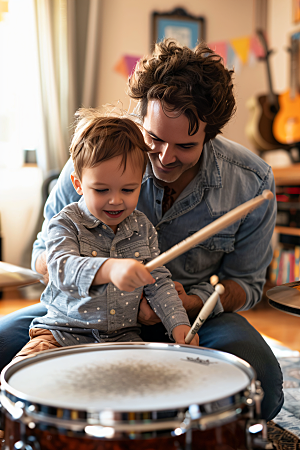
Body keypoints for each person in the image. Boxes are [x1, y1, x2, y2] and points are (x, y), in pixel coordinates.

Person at [0, 39, 283, 420]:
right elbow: (43, 256)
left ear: (210, 134)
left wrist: (185, 310)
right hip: (75, 318)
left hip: (188, 313)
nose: (165, 158)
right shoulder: (94, 160)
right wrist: (104, 274)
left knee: (259, 384)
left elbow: (246, 284)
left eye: (185, 145)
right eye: (155, 139)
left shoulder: (251, 181)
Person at [13, 110, 198, 361]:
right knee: (26, 377)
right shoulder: (65, 223)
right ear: (78, 184)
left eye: (128, 189)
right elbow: (60, 268)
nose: (115, 200)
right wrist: (109, 269)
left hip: (123, 339)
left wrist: (179, 325)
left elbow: (159, 283)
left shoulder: (142, 228)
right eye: (101, 190)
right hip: (59, 335)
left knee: (148, 390)